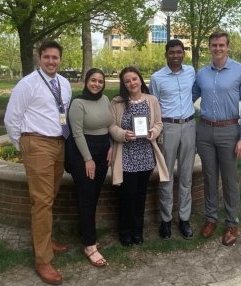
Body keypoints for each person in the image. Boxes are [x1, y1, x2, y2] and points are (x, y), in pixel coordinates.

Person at [4, 40, 71, 285]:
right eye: (47, 57)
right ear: (39, 58)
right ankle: (43, 259)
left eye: (55, 57)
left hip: (58, 143)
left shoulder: (64, 84)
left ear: (60, 59)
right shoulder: (27, 84)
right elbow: (12, 119)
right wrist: (24, 146)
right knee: (42, 201)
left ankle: (45, 239)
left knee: (49, 196)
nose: (51, 61)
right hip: (37, 143)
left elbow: (62, 112)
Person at [192, 31, 241, 247]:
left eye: (221, 45)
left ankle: (231, 222)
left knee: (229, 180)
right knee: (209, 178)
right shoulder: (201, 74)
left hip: (229, 131)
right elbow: (188, 98)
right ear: (208, 47)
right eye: (213, 45)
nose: (217, 48)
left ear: (228, 47)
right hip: (205, 131)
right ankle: (210, 218)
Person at [109, 66, 169, 247]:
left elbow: (159, 123)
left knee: (140, 196)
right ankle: (125, 232)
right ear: (124, 84)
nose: (131, 83)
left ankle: (137, 231)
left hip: (145, 156)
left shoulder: (152, 100)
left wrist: (154, 132)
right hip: (126, 156)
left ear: (140, 80)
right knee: (127, 196)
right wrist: (122, 135)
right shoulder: (117, 102)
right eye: (127, 81)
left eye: (134, 79)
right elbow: (111, 126)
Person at [149, 39, 196, 240]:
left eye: (179, 52)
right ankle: (166, 220)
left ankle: (184, 219)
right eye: (172, 52)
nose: (176, 55)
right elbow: (154, 105)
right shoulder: (157, 78)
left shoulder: (191, 72)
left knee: (186, 176)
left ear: (183, 53)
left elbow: (193, 94)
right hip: (168, 128)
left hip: (189, 126)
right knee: (166, 176)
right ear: (166, 54)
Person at [66, 68, 112, 267]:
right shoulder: (77, 103)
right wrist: (88, 159)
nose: (96, 84)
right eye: (93, 80)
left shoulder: (105, 100)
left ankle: (87, 233)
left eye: (100, 81)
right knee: (86, 198)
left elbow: (109, 125)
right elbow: (76, 134)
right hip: (83, 154)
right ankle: (89, 244)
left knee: (93, 196)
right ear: (86, 82)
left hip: (103, 153)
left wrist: (111, 146)